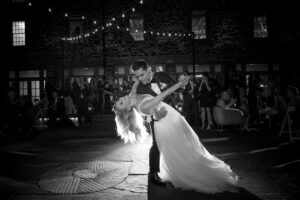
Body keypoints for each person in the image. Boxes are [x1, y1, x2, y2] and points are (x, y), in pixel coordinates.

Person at [114, 76, 238, 194]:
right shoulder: (144, 106)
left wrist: (141, 77)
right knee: (181, 148)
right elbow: (164, 94)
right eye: (121, 103)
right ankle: (191, 172)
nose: (121, 99)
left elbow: (136, 83)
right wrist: (180, 83)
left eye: (118, 100)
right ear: (128, 108)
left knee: (185, 145)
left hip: (170, 115)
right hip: (167, 122)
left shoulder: (131, 96)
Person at [130, 60, 176, 186]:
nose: (140, 78)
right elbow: (139, 107)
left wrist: (183, 83)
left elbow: (175, 87)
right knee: (157, 144)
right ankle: (154, 174)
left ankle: (174, 169)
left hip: (172, 113)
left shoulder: (160, 76)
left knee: (173, 141)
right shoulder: (138, 87)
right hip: (156, 118)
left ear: (148, 70)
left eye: (142, 74)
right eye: (137, 76)